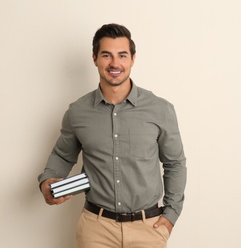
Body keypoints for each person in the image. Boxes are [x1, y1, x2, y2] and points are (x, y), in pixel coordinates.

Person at [38, 23, 187, 248]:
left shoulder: (160, 109)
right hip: (96, 229)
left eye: (122, 55)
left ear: (133, 59)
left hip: (148, 229)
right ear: (94, 58)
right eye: (106, 55)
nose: (115, 63)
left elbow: (175, 163)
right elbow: (62, 155)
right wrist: (47, 181)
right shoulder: (77, 111)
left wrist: (171, 215)